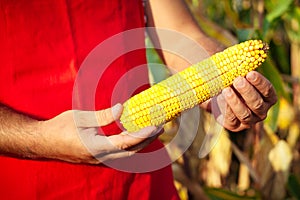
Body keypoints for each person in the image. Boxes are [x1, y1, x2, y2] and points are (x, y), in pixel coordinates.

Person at [0, 0, 277, 199]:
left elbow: (180, 31)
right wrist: (37, 138)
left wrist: (218, 81)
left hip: (142, 179)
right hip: (28, 181)